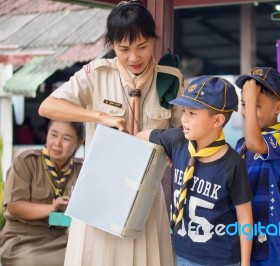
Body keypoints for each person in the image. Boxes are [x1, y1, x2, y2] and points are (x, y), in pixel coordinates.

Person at [38, 1, 183, 265]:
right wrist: (99, 116)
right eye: (123, 49)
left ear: (153, 39)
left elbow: (185, 131)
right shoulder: (95, 74)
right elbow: (48, 107)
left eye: (142, 46)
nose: (134, 58)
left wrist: (173, 146)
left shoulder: (171, 79)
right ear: (111, 45)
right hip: (100, 195)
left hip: (147, 196)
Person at [136, 75, 254, 266]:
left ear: (217, 121)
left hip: (221, 259)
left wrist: (245, 263)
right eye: (184, 111)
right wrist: (160, 156)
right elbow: (140, 137)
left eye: (193, 113)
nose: (184, 119)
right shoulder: (178, 141)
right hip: (182, 254)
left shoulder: (233, 164)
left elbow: (245, 216)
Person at [234, 67, 280, 266]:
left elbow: (256, 143)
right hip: (240, 232)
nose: (246, 111)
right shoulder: (241, 144)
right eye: (244, 105)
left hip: (267, 235)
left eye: (255, 106)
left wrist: (249, 99)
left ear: (279, 107)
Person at [0, 121, 85, 266]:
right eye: (53, 135)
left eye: (65, 139)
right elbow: (14, 207)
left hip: (60, 238)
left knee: (84, 259)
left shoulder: (82, 170)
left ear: (79, 143)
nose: (57, 143)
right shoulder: (26, 161)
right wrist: (51, 208)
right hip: (21, 238)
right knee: (33, 262)